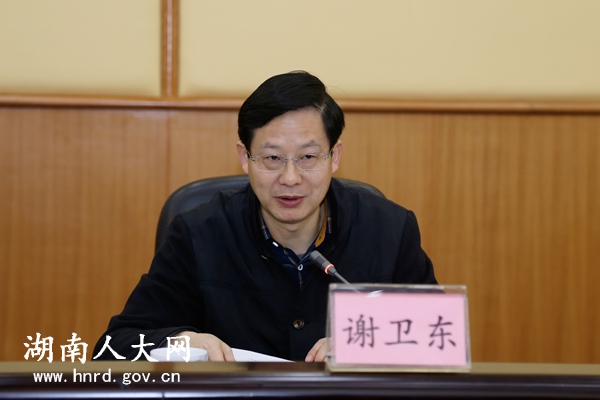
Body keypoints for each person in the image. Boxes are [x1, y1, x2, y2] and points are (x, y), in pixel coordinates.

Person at [93, 71, 437, 362]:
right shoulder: (199, 234)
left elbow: (441, 337)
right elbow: (113, 348)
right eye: (272, 158)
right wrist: (183, 342)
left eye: (308, 157)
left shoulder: (389, 231)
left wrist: (370, 341)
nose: (290, 178)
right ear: (245, 158)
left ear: (334, 157)